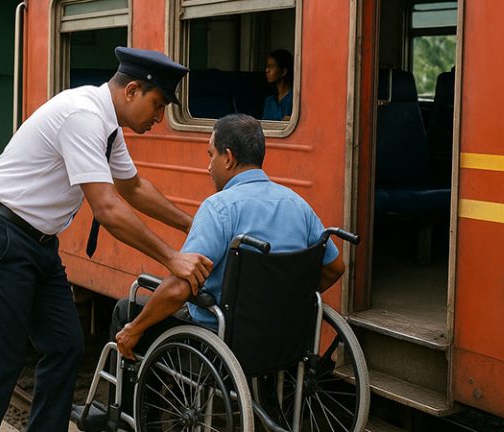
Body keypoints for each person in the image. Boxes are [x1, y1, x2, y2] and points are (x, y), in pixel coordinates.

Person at [0, 47, 213, 432]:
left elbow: (134, 188)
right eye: (157, 105)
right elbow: (107, 208)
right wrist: (172, 257)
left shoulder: (107, 126)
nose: (159, 117)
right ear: (132, 90)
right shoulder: (84, 116)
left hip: (36, 244)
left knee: (65, 345)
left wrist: (191, 224)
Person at [114, 113, 345, 361]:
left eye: (211, 155)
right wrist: (286, 302)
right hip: (283, 335)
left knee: (125, 310)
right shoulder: (298, 205)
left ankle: (138, 399)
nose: (208, 166)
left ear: (229, 158)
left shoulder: (219, 208)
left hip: (221, 340)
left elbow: (178, 288)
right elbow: (335, 268)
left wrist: (134, 329)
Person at [262, 49, 294, 121]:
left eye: (272, 66)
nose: (267, 70)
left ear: (283, 71)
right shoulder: (269, 101)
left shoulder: (294, 99)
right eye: (267, 66)